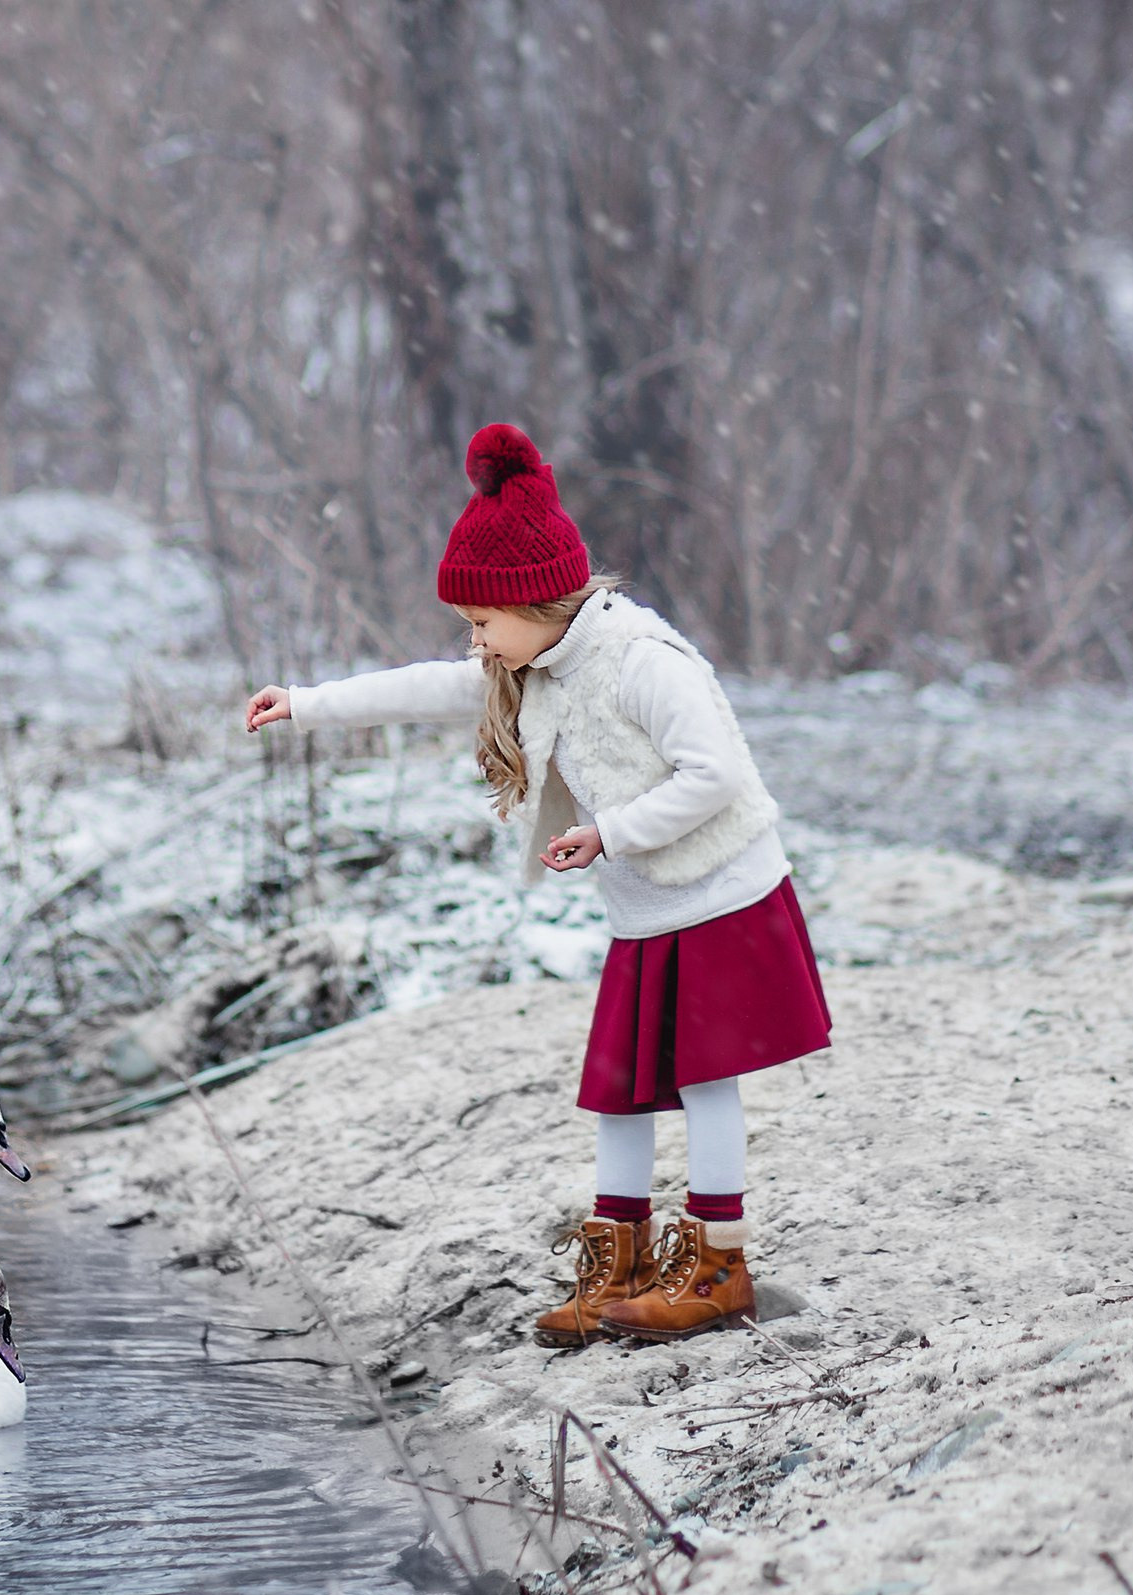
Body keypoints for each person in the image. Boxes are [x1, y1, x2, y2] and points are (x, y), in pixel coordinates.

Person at [243, 424, 830, 1345]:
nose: (474, 642)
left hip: (719, 896)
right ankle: (618, 1266)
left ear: (530, 601)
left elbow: (712, 771)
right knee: (620, 1090)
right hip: (647, 911)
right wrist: (311, 703)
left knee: (706, 1080)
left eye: (481, 622)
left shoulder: (640, 659)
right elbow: (434, 688)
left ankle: (719, 1267)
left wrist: (608, 833)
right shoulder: (537, 662)